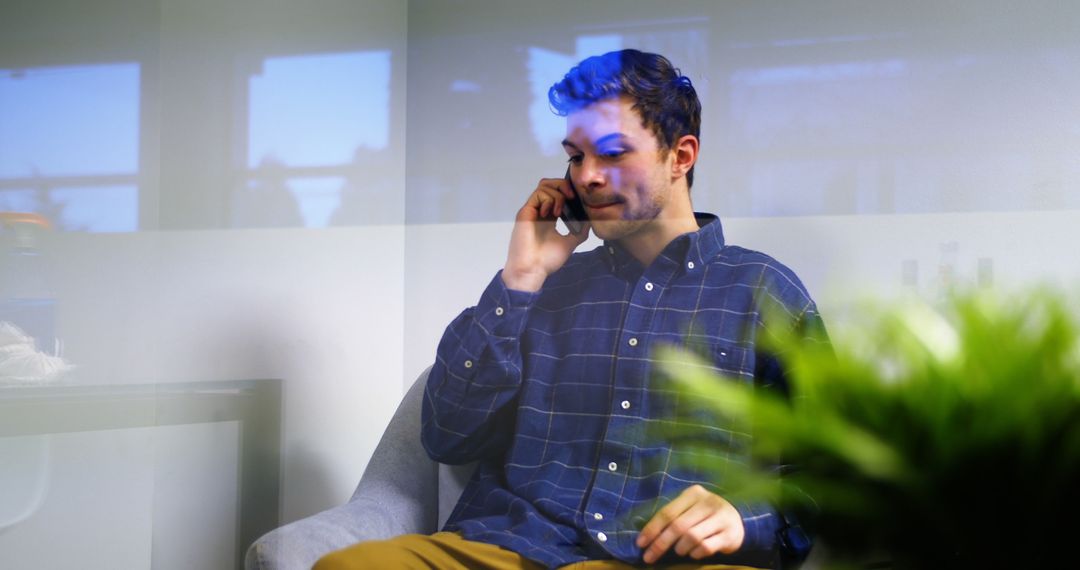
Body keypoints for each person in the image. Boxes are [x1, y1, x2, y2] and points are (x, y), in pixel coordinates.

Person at [316, 49, 826, 570]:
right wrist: (520, 278)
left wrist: (748, 518)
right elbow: (447, 436)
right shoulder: (545, 288)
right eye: (577, 156)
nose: (587, 177)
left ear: (681, 156)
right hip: (506, 547)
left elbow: (835, 475)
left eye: (612, 153)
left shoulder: (764, 291)